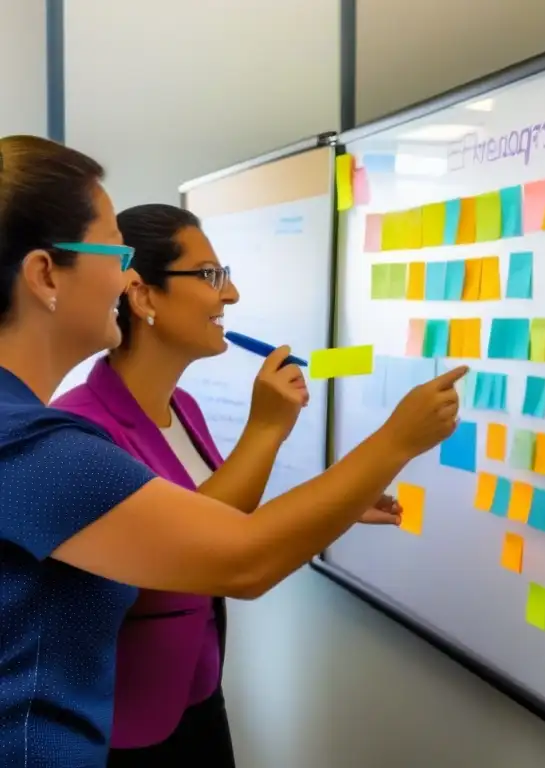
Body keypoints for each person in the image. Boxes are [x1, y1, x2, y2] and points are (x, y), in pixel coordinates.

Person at [0, 133, 465, 767]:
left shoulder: (39, 437)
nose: (124, 275)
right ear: (45, 273)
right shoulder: (37, 447)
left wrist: (335, 498)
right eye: (115, 253)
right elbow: (240, 558)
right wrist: (395, 440)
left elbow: (199, 524)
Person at [52, 203, 400, 767]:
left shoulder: (183, 408)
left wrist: (338, 503)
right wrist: (268, 428)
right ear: (142, 297)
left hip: (199, 697)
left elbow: (222, 513)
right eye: (211, 276)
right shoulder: (84, 429)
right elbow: (198, 552)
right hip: (125, 727)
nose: (230, 295)